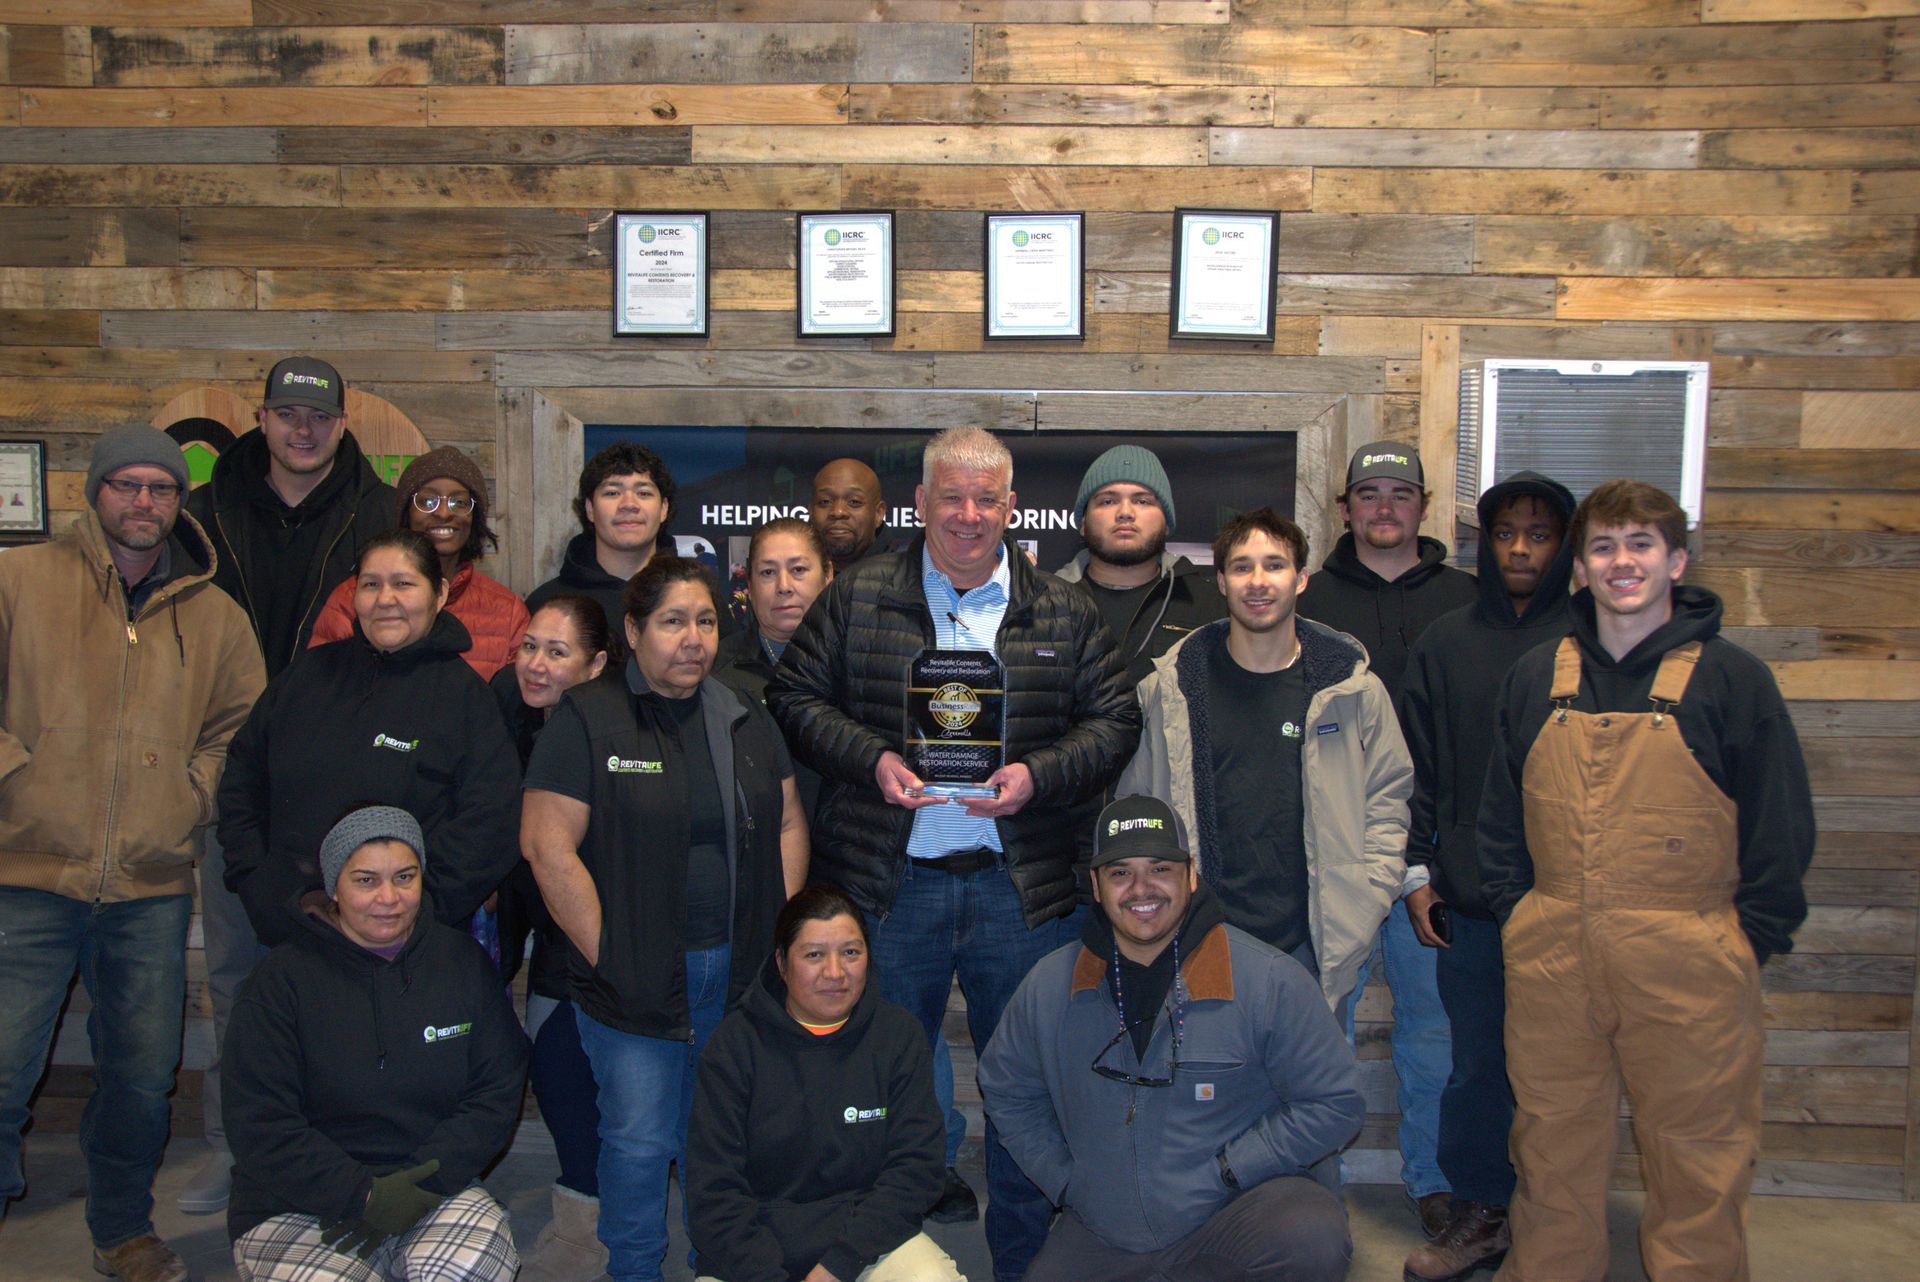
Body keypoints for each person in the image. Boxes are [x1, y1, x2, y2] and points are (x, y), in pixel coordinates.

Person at [769, 426, 1140, 1281]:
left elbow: (1117, 719)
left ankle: (1025, 1261)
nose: (968, 515)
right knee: (882, 1088)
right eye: (951, 497)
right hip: (891, 886)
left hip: (1023, 891)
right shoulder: (857, 597)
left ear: (1011, 508)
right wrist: (872, 759)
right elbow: (794, 695)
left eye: (986, 500)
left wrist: (1038, 776)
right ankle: (892, 1261)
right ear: (920, 503)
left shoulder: (1065, 609)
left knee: (1028, 1090)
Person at [1478, 480, 1815, 1282]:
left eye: (1640, 545)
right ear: (1580, 569)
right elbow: (1497, 818)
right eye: (1602, 547)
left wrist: (1747, 942)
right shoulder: (1535, 676)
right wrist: (1520, 914)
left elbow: (1780, 827)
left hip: (1689, 957)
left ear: (1677, 561)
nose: (1621, 562)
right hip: (1554, 952)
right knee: (1550, 1147)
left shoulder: (1733, 680)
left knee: (1698, 1157)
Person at [0, 426, 265, 1282]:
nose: (144, 501)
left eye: (161, 488)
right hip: (27, 874)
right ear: (96, 492)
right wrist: (16, 777)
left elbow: (239, 732)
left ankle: (121, 1229)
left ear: (179, 501)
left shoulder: (215, 615)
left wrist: (188, 797)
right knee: (3, 1068)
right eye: (127, 485)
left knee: (143, 1076)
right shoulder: (19, 580)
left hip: (150, 888)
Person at [522, 557, 810, 1282]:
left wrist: (775, 934)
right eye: (673, 621)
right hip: (632, 978)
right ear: (633, 630)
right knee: (638, 1141)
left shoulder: (743, 711)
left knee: (716, 1137)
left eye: (706, 621)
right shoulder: (589, 717)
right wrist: (609, 955)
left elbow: (787, 821)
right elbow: (547, 846)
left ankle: (713, 1264)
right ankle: (635, 1269)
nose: (693, 639)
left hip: (734, 972)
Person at [979, 795, 1363, 1282]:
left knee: (1310, 1238)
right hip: (1108, 1227)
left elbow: (1335, 1102)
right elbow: (1007, 1090)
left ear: (1191, 875)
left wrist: (1232, 1169)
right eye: (1120, 873)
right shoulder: (1049, 986)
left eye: (1160, 868)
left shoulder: (1269, 980)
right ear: (1095, 886)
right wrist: (1069, 1182)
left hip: (1236, 1211)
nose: (1141, 888)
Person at [180, 354, 396, 1215]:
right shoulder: (204, 514)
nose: (302, 430)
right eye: (286, 414)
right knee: (238, 977)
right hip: (235, 777)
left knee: (345, 980)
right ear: (262, 420)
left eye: (318, 417)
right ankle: (238, 1150)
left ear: (342, 425)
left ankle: (339, 1148)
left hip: (343, 784)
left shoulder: (379, 512)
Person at [1118, 507, 1411, 1008]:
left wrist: (1368, 894)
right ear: (1221, 582)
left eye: (1274, 565)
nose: (1258, 581)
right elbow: (1139, 808)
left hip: (1315, 943)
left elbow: (1388, 797)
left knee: (1317, 1064)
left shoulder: (1352, 690)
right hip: (1200, 936)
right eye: (1242, 567)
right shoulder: (1169, 690)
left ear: (1301, 579)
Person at [222, 805, 527, 1282]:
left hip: (431, 1185)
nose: (389, 898)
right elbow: (259, 1122)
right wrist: (363, 1195)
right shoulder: (280, 980)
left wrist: (422, 1183)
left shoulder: (463, 964)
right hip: (298, 1199)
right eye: (366, 880)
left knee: (470, 1269)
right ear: (334, 887)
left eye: (405, 877)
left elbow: (495, 1093)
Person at [1398, 472, 1576, 1282]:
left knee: (1565, 1073)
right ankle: (1480, 1213)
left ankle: (1558, 1224)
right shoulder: (1446, 641)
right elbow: (1418, 769)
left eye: (1539, 535)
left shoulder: (1592, 643)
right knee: (1475, 1067)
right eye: (1505, 534)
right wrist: (1417, 872)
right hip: (1471, 901)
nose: (1520, 549)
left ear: (1563, 547)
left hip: (1571, 901)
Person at [1297, 442, 1473, 1236]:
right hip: (1333, 855)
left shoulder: (1467, 601)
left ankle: (1436, 1183)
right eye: (1368, 493)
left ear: (1424, 506)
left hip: (1433, 861)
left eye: (1401, 492)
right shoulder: (1309, 599)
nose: (1384, 507)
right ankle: (1313, 1187)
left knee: (1434, 1030)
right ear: (1345, 509)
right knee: (1319, 1030)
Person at [218, 529, 521, 948]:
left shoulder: (465, 699)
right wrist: (257, 881)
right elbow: (243, 776)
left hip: (407, 944)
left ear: (439, 594)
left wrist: (416, 910)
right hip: (291, 928)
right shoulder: (306, 677)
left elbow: (490, 821)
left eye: (403, 583)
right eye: (371, 584)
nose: (385, 599)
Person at [686, 884, 964, 1282]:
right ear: (781, 963)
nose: (835, 972)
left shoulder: (898, 1037)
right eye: (814, 955)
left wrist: (837, 1267)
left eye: (851, 952)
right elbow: (714, 1193)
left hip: (866, 1244)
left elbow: (916, 1171)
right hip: (751, 1255)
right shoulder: (733, 1047)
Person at [488, 595, 613, 1282]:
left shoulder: (609, 735)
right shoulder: (506, 716)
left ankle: (591, 1231)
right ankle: (583, 1222)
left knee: (574, 1066)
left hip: (599, 933)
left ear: (595, 666)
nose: (535, 664)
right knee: (553, 1068)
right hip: (535, 931)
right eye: (529, 646)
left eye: (556, 652)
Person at [308, 446, 530, 680]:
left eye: (459, 502)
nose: (443, 513)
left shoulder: (508, 612)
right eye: (427, 501)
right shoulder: (351, 598)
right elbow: (318, 686)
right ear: (406, 513)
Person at [1053, 443, 1225, 687]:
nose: (1125, 512)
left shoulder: (1211, 606)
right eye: (1108, 501)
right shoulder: (1044, 604)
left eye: (1142, 501)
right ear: (1083, 523)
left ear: (1166, 522)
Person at [527, 441, 677, 633]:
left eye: (643, 493)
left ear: (664, 508)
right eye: (612, 493)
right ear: (590, 508)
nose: (629, 504)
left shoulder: (696, 599)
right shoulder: (545, 604)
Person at [810, 457, 891, 572]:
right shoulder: (789, 573)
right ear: (811, 511)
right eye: (825, 502)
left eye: (854, 502)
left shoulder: (905, 574)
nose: (838, 512)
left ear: (878, 513)